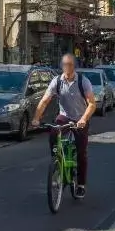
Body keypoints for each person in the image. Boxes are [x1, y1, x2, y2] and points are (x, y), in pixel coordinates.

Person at [32, 53, 97, 198]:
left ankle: (80, 185)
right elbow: (44, 101)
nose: (67, 68)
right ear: (61, 66)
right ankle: (57, 161)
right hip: (64, 116)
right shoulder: (57, 81)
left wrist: (84, 120)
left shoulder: (83, 82)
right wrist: (36, 118)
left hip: (80, 118)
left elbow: (92, 104)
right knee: (53, 133)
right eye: (65, 65)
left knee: (81, 153)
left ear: (74, 66)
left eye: (70, 65)